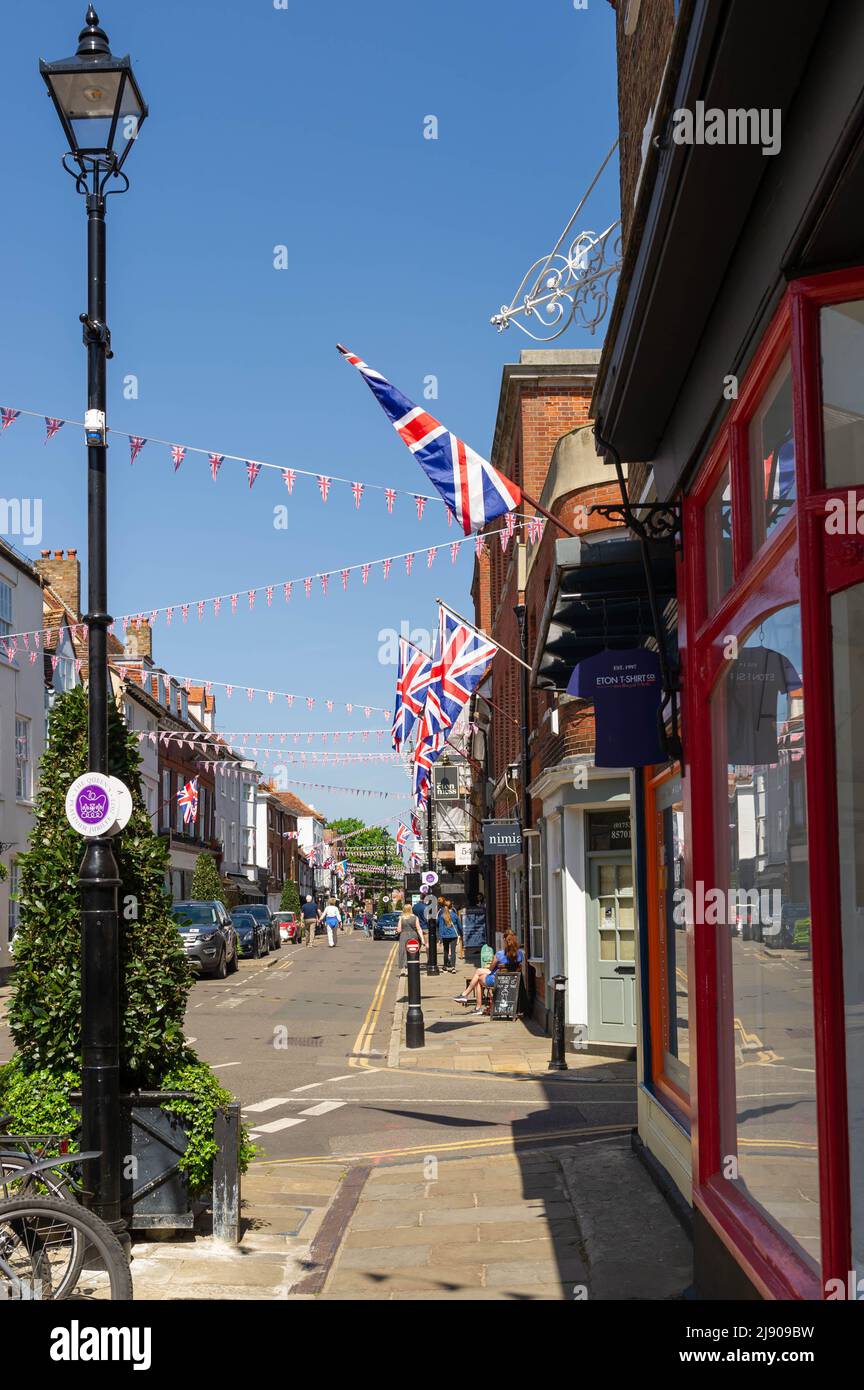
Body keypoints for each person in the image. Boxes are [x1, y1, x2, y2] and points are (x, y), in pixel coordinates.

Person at [453, 931, 524, 1013]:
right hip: (513, 981)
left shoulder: (499, 954)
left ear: (505, 940)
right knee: (478, 971)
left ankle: (475, 1005)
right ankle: (465, 995)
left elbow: (490, 968)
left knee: (478, 979)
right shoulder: (520, 954)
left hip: (498, 980)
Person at [397, 901, 426, 973]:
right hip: (413, 935)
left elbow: (399, 930)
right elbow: (419, 928)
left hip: (404, 935)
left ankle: (405, 968)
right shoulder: (415, 917)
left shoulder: (401, 918)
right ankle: (413, 966)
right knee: (413, 951)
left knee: (404, 951)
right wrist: (422, 939)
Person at [438, 898, 458, 972]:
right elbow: (459, 925)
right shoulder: (454, 915)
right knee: (453, 951)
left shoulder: (442, 915)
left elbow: (440, 926)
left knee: (445, 951)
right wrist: (460, 934)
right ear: (451, 906)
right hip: (453, 935)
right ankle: (453, 968)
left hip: (445, 935)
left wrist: (440, 937)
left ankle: (445, 967)